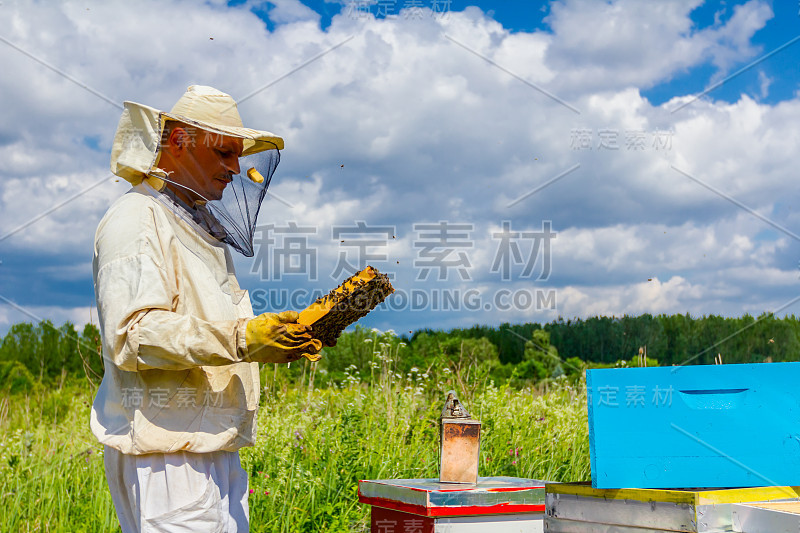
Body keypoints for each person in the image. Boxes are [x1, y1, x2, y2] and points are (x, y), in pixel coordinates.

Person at [91, 85, 322, 532]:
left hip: (207, 445)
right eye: (224, 153)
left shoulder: (191, 222)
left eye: (238, 156)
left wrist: (271, 338)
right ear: (178, 142)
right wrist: (242, 338)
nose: (235, 169)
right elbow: (134, 335)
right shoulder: (137, 217)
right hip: (166, 456)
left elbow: (204, 332)